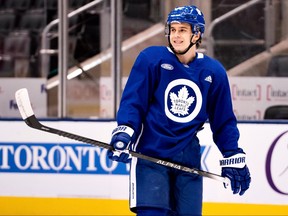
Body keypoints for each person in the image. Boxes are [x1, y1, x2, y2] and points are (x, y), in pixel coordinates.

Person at [108, 5, 251, 216]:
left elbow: (223, 122)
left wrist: (232, 154)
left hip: (188, 160)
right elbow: (133, 102)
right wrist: (124, 131)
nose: (175, 35)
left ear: (197, 34)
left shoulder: (214, 72)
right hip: (151, 157)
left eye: (182, 30)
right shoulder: (151, 59)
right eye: (173, 29)